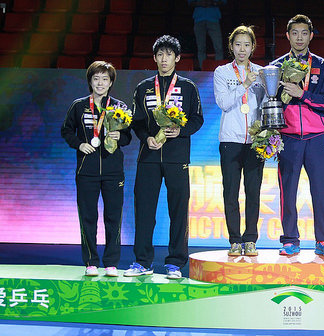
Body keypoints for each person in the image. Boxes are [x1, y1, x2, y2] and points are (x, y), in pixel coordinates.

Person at [125, 35, 204, 279]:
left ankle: (175, 263)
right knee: (144, 210)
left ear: (177, 58)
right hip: (148, 156)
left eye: (169, 54)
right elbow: (136, 122)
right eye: (160, 54)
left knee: (178, 211)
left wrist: (181, 131)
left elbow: (197, 119)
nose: (164, 59)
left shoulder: (188, 87)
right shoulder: (144, 87)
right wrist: (145, 138)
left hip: (176, 157)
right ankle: (142, 261)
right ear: (154, 58)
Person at [270, 14, 324, 257]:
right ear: (287, 36)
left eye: (304, 33)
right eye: (295, 33)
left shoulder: (322, 66)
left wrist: (303, 94)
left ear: (311, 36)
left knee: (321, 190)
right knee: (287, 190)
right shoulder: (276, 67)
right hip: (288, 137)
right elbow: (270, 102)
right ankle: (289, 239)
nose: (300, 37)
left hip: (316, 137)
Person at [61, 61, 131, 277]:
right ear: (90, 81)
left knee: (113, 218)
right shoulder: (79, 105)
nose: (100, 83)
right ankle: (91, 261)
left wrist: (121, 137)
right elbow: (66, 130)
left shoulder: (119, 107)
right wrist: (79, 144)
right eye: (96, 79)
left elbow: (129, 136)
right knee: (88, 217)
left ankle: (111, 263)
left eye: (105, 79)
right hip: (86, 170)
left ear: (111, 83)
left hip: (113, 171)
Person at [213, 25, 266, 256]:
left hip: (255, 140)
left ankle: (251, 239)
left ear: (253, 47)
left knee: (253, 192)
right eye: (238, 44)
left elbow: (267, 104)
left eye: (246, 44)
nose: (242, 49)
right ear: (231, 47)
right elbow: (224, 103)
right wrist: (244, 85)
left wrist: (266, 133)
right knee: (231, 192)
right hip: (230, 140)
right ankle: (235, 240)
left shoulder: (263, 72)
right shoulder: (222, 72)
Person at [189, 0, 227, 69]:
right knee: (201, 48)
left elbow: (223, 2)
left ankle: (219, 70)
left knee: (218, 47)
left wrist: (212, 3)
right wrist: (200, 3)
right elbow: (190, 3)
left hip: (214, 18)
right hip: (199, 18)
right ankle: (202, 69)